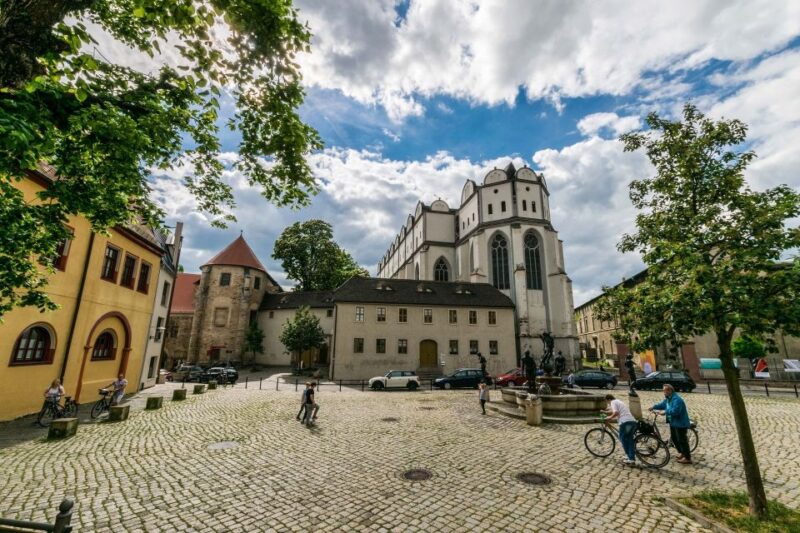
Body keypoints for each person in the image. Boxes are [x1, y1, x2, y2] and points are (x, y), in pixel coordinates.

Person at [650, 384, 692, 464]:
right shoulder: (669, 398)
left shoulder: (677, 400)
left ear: (669, 391)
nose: (663, 392)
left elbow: (675, 411)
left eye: (664, 391)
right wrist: (654, 407)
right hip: (673, 422)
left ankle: (687, 458)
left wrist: (665, 412)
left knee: (682, 440)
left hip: (680, 423)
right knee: (675, 439)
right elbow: (662, 404)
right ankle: (682, 452)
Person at [604, 394, 637, 465]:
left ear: (608, 400)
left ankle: (631, 459)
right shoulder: (618, 401)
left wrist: (609, 418)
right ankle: (630, 457)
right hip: (632, 421)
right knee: (629, 439)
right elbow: (616, 411)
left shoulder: (613, 402)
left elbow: (616, 412)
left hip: (626, 423)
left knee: (623, 438)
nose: (608, 404)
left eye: (607, 402)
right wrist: (606, 413)